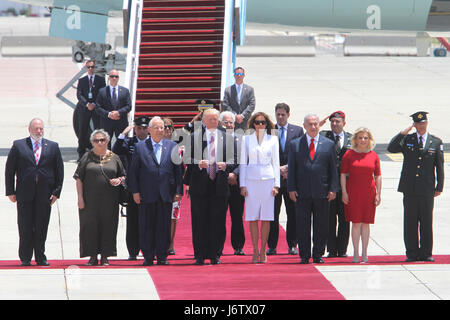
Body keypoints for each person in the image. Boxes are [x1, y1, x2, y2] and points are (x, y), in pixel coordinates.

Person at [5, 118, 64, 266]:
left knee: (41, 226)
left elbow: (59, 171)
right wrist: (10, 191)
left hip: (45, 194)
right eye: (36, 128)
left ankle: (40, 256)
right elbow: (9, 170)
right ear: (29, 129)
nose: (39, 131)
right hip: (25, 193)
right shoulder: (19, 146)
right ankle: (25, 257)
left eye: (41, 129)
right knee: (25, 226)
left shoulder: (52, 146)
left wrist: (56, 192)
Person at [387, 111, 444, 262]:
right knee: (410, 221)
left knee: (426, 221)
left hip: (427, 188)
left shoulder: (435, 142)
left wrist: (439, 186)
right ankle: (411, 253)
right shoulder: (408, 139)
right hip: (410, 187)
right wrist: (403, 132)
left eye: (423, 122)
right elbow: (391, 148)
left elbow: (439, 166)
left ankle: (426, 253)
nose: (421, 125)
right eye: (418, 123)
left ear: (427, 123)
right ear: (414, 124)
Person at [183, 108, 237, 265]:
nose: (215, 122)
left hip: (219, 184)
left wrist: (226, 166)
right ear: (204, 121)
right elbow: (186, 157)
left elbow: (235, 159)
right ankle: (199, 254)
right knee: (199, 221)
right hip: (200, 184)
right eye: (211, 119)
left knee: (218, 221)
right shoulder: (194, 137)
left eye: (216, 119)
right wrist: (198, 163)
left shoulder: (227, 138)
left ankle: (215, 254)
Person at [128, 117, 183, 266]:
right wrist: (135, 192)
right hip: (146, 194)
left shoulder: (172, 146)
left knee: (163, 226)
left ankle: (162, 256)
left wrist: (178, 191)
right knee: (146, 226)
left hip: (166, 193)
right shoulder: (140, 147)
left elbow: (178, 171)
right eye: (157, 128)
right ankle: (148, 256)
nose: (160, 130)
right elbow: (133, 172)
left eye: (162, 128)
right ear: (149, 130)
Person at [287, 114, 339, 264]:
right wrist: (291, 188)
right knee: (303, 225)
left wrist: (333, 189)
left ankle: (318, 254)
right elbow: (292, 169)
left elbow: (333, 170)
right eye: (310, 124)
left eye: (316, 124)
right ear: (304, 126)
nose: (313, 127)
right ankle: (304, 254)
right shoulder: (295, 144)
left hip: (322, 192)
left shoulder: (328, 144)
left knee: (321, 225)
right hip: (301, 192)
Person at [74, 129, 126, 266]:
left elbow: (123, 175)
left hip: (109, 200)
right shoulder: (87, 157)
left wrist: (119, 180)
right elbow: (78, 178)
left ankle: (105, 256)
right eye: (96, 140)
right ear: (92, 142)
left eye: (102, 140)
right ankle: (92, 256)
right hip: (89, 200)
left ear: (108, 141)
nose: (100, 142)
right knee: (89, 227)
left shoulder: (115, 157)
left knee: (108, 226)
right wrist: (80, 198)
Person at [240, 112, 280, 264]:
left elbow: (276, 162)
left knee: (266, 217)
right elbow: (243, 162)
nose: (260, 125)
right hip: (251, 180)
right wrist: (242, 185)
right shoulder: (246, 139)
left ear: (267, 124)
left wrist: (277, 184)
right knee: (252, 217)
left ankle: (263, 249)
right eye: (257, 122)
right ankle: (255, 249)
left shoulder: (273, 140)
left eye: (263, 122)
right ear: (253, 124)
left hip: (268, 180)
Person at [112, 115, 150, 260]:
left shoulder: (153, 143)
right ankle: (133, 251)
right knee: (133, 221)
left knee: (148, 220)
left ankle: (147, 249)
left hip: (149, 187)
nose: (142, 131)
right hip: (133, 187)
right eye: (139, 128)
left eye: (145, 128)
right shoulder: (129, 142)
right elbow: (116, 150)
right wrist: (124, 133)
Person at [341, 127, 381, 263]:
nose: (363, 140)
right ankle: (356, 253)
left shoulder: (373, 155)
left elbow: (378, 176)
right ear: (355, 140)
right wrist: (344, 192)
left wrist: (378, 194)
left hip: (369, 193)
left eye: (365, 138)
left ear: (369, 140)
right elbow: (342, 175)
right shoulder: (349, 154)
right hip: (353, 192)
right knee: (356, 222)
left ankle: (365, 253)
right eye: (360, 138)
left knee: (366, 223)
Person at [268, 103, 303, 256]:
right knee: (273, 214)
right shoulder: (269, 130)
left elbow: (301, 154)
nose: (280, 117)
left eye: (283, 114)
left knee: (293, 213)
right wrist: (278, 169)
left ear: (288, 115)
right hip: (273, 180)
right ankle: (272, 246)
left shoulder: (297, 131)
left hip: (291, 179)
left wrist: (287, 167)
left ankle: (292, 245)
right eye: (278, 114)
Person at [319, 111, 352, 258]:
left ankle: (342, 249)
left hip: (347, 185)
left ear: (344, 123)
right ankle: (332, 249)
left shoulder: (352, 138)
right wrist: (318, 126)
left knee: (345, 219)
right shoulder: (324, 136)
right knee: (330, 218)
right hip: (329, 185)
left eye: (337, 121)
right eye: (332, 121)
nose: (334, 124)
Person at [218, 111, 245, 256]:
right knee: (219, 216)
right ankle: (218, 247)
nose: (228, 125)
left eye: (231, 122)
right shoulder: (215, 139)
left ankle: (238, 246)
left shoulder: (241, 140)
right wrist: (225, 174)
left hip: (236, 182)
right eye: (226, 122)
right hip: (220, 182)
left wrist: (235, 173)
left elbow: (244, 160)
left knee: (237, 216)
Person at [75, 59, 106, 161]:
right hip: (84, 109)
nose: (91, 69)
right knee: (82, 131)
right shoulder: (82, 81)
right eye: (89, 67)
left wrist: (95, 104)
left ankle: (99, 153)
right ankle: (81, 154)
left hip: (96, 109)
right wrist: (87, 104)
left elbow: (102, 93)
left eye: (92, 67)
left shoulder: (100, 80)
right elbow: (79, 95)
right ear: (86, 68)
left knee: (98, 131)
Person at [95, 69, 132, 146]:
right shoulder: (102, 91)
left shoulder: (125, 91)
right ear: (108, 77)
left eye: (116, 76)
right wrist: (109, 114)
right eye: (112, 76)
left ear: (118, 78)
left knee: (122, 145)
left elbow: (129, 106)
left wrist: (118, 113)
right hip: (106, 123)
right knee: (105, 145)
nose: (114, 78)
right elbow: (98, 108)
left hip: (121, 122)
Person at [162, 117, 182, 255]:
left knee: (172, 217)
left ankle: (170, 244)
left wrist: (179, 190)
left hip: (172, 187)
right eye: (165, 126)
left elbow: (181, 171)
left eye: (170, 127)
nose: (168, 129)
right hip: (157, 187)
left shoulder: (177, 147)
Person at [221, 67, 256, 131]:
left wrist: (242, 116)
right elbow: (225, 105)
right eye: (237, 74)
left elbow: (252, 105)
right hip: (232, 122)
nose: (239, 76)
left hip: (246, 121)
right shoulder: (228, 90)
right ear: (234, 75)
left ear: (244, 75)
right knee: (231, 140)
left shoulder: (250, 89)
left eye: (240, 74)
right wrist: (235, 115)